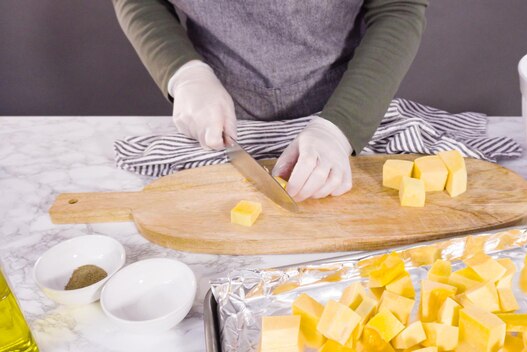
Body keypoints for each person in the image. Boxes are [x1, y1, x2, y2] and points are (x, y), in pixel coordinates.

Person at [112, 0, 427, 201]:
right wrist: (184, 73)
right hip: (222, 115)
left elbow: (398, 7)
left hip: (344, 101)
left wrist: (342, 127)